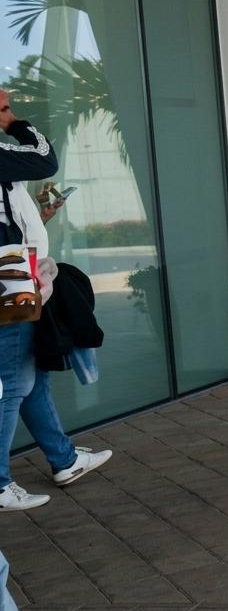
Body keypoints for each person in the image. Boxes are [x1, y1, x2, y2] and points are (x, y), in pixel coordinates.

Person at [0, 89, 113, 512]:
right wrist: (14, 124)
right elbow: (44, 158)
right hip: (8, 284)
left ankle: (64, 460)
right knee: (12, 382)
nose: (7, 112)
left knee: (29, 374)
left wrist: (35, 219)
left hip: (19, 280)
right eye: (3, 107)